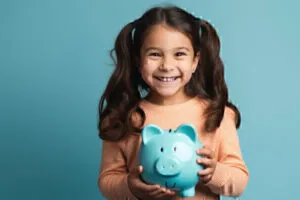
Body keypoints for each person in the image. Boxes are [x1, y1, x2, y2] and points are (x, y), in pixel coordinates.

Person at [97, 5, 249, 200]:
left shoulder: (217, 114)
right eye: (155, 54)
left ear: (195, 61)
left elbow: (239, 181)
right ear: (137, 61)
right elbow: (107, 181)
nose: (167, 66)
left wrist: (214, 172)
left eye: (179, 54)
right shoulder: (123, 117)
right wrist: (131, 187)